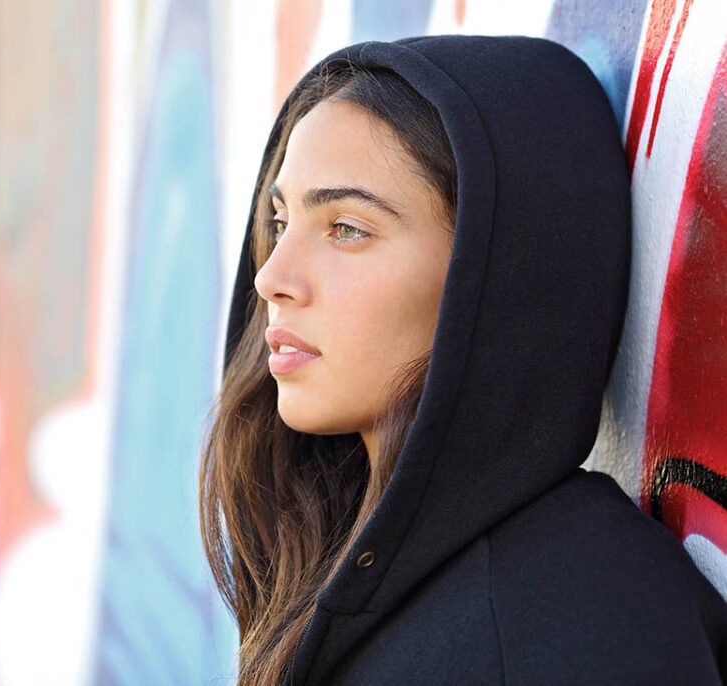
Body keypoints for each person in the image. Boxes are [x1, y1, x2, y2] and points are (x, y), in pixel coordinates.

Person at [199, 35, 727, 685]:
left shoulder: (583, 602)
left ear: (495, 272)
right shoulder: (351, 576)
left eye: (346, 228)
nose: (272, 277)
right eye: (280, 223)